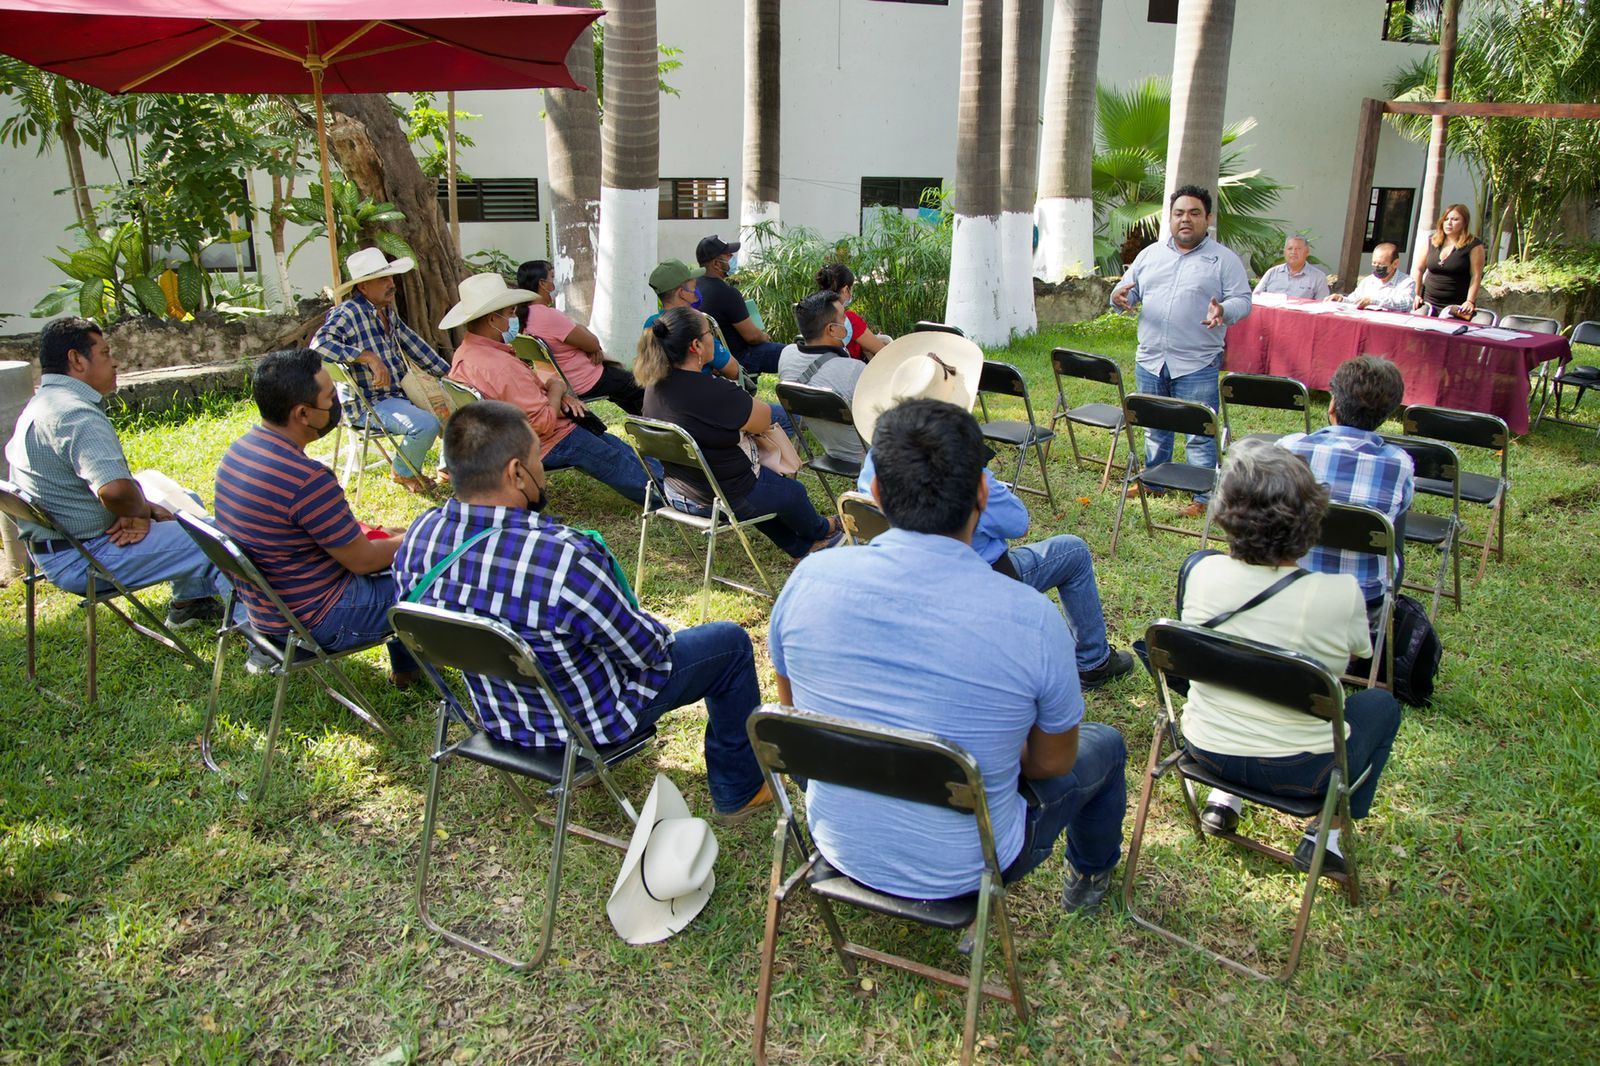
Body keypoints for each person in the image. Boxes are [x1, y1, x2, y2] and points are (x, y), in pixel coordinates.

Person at [770, 398, 1128, 911]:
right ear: (982, 493)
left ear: (873, 493)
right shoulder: (1032, 617)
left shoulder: (807, 580)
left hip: (839, 842)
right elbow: (1053, 762)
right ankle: (1090, 878)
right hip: (972, 865)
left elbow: (795, 720)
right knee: (1107, 746)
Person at [393, 400, 772, 822]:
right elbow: (647, 653)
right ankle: (738, 790)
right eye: (538, 458)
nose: (541, 469)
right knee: (731, 645)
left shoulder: (419, 536)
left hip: (501, 720)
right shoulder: (563, 555)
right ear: (516, 473)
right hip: (588, 727)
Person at [850, 333, 1135, 691]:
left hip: (901, 582)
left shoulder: (873, 465)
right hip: (977, 582)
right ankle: (1093, 660)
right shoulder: (967, 474)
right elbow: (1017, 522)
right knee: (1073, 551)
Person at [1176, 439, 1402, 875]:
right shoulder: (1340, 596)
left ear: (1224, 511)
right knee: (1379, 705)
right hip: (1302, 773)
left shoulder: (1199, 573)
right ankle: (1327, 834)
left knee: (1242, 671)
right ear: (1311, 519)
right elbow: (1356, 657)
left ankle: (1223, 798)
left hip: (1203, 750)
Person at [213, 348, 420, 686]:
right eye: (330, 395)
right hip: (321, 620)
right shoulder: (305, 478)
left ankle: (408, 671)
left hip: (270, 615)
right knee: (435, 568)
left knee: (399, 542)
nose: (337, 402)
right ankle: (417, 674)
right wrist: (420, 537)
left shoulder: (240, 451)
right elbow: (365, 561)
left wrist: (396, 537)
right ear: (303, 413)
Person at [4, 316, 226, 629]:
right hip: (86, 555)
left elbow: (114, 493)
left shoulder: (44, 403)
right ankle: (265, 634)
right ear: (76, 360)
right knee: (223, 541)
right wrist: (142, 511)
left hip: (61, 545)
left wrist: (137, 509)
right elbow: (116, 493)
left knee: (182, 498)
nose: (116, 363)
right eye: (106, 354)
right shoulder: (74, 413)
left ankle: (190, 603)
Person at [637, 306, 842, 558]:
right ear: (696, 346)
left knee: (766, 494)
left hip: (678, 492)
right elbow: (763, 420)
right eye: (709, 332)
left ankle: (801, 547)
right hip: (724, 497)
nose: (713, 337)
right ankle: (822, 530)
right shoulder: (713, 391)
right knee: (792, 493)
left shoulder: (653, 387)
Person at [441, 273, 658, 507]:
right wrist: (556, 388)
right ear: (493, 320)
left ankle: (671, 481)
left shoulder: (466, 352)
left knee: (613, 444)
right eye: (511, 313)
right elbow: (543, 423)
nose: (515, 319)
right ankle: (673, 498)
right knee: (614, 457)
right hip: (546, 440)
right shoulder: (499, 366)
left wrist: (559, 395)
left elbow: (520, 392)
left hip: (516, 435)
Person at [1111, 185, 1252, 519]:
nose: (1185, 219)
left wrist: (1225, 311)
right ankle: (1154, 481)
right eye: (1178, 213)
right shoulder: (1149, 255)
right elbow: (1126, 292)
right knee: (1153, 426)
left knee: (1198, 433)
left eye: (1193, 213)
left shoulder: (1224, 260)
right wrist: (1119, 298)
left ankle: (1203, 497)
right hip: (1151, 360)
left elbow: (1243, 301)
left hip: (1197, 362)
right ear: (1170, 218)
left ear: (1208, 218)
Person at [310, 247, 451, 494]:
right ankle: (403, 472)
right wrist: (367, 357)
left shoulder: (386, 312)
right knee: (426, 424)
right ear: (363, 287)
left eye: (390, 277)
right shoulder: (348, 312)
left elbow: (416, 346)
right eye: (383, 279)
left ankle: (447, 470)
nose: (391, 283)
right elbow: (319, 346)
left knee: (456, 408)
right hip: (369, 404)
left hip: (400, 395)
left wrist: (450, 376)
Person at [1278, 356, 1413, 609]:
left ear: (1333, 404)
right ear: (1387, 414)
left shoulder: (1290, 447)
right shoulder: (1400, 463)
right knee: (1394, 522)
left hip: (1289, 580)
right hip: (1364, 596)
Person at [515, 259, 645, 414]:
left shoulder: (522, 317)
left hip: (563, 381)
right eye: (552, 277)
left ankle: (641, 425)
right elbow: (592, 343)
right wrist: (591, 347)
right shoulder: (548, 316)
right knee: (644, 387)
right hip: (586, 380)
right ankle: (653, 428)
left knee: (623, 388)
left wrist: (589, 345)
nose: (555, 282)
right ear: (543, 284)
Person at [777, 291, 867, 465]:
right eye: (843, 317)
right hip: (865, 454)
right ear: (832, 329)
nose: (847, 322)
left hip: (828, 449)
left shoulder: (786, 355)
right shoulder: (854, 369)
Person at [693, 235, 784, 375]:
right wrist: (764, 336)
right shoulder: (727, 293)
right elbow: (753, 337)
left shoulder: (692, 289)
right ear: (717, 264)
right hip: (737, 358)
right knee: (792, 354)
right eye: (729, 256)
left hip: (708, 357)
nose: (733, 259)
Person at [1412, 203, 1485, 318]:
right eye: (1446, 219)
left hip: (1456, 305)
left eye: (1455, 219)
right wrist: (1416, 294)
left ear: (1464, 223)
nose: (1449, 223)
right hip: (1427, 302)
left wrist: (1470, 301)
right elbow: (1419, 269)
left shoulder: (1474, 245)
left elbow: (1476, 276)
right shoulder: (1432, 241)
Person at [814, 262, 891, 360]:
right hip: (850, 371)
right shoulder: (847, 319)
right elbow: (882, 351)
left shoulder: (811, 316)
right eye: (851, 288)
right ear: (845, 290)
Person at [1328, 242, 1416, 311]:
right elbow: (1354, 300)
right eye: (1374, 263)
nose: (1377, 267)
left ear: (1395, 263)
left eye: (1381, 264)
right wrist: (1341, 299)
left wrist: (1373, 301)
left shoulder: (1406, 282)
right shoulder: (1368, 281)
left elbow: (1406, 304)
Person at [1253, 236, 1330, 300]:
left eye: (1298, 249)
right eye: (1290, 249)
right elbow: (1255, 297)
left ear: (1307, 252)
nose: (1293, 252)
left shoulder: (1318, 277)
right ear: (1284, 252)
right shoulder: (1272, 272)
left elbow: (1323, 305)